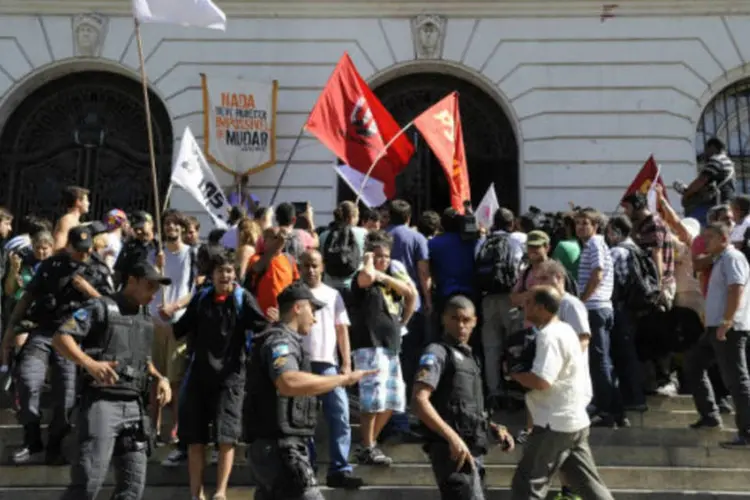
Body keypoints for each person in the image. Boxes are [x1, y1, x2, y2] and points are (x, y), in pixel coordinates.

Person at [51, 262, 173, 499]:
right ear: (131, 280)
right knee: (88, 481)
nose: (153, 293)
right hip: (102, 403)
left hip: (135, 408)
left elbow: (143, 360)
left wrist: (160, 378)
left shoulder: (145, 317)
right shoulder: (100, 307)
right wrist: (90, 364)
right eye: (149, 285)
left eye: (156, 288)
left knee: (132, 487)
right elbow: (61, 337)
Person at [244, 282, 376, 500]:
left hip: (277, 447)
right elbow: (288, 381)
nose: (314, 319)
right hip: (280, 449)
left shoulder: (284, 340)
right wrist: (341, 379)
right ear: (297, 308)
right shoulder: (280, 341)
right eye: (312, 311)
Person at [2, 225, 112, 464]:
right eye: (78, 250)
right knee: (27, 380)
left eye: (87, 249)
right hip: (44, 331)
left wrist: (88, 290)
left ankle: (55, 444)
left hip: (73, 339)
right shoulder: (53, 265)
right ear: (69, 246)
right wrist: (10, 331)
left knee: (66, 397)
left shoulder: (99, 269)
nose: (83, 255)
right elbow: (29, 296)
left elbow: (111, 307)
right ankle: (31, 439)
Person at [172, 249, 270, 499]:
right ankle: (197, 493)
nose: (225, 276)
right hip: (199, 377)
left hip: (231, 377)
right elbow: (180, 329)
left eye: (229, 270)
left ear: (235, 273)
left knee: (226, 437)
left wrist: (275, 322)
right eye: (220, 271)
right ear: (212, 275)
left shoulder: (242, 299)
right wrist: (165, 314)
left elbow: (262, 327)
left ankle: (221, 492)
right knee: (195, 439)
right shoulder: (201, 298)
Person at [510, 286, 613, 500]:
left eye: (528, 302)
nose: (523, 305)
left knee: (527, 483)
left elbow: (542, 380)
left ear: (540, 307)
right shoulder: (566, 330)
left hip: (553, 424)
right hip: (575, 421)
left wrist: (514, 376)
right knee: (588, 485)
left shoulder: (549, 336)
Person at [412, 295, 515, 500]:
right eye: (455, 318)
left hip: (474, 450)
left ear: (475, 322)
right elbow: (419, 400)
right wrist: (452, 438)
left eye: (466, 320)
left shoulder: (471, 359)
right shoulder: (437, 352)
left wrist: (494, 428)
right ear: (444, 319)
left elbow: (465, 408)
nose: (461, 325)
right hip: (451, 451)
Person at [299, 250, 362, 489]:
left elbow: (341, 329)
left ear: (322, 266)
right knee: (304, 420)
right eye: (306, 266)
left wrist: (346, 363)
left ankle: (339, 468)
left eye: (314, 265)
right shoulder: (294, 294)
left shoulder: (333, 294)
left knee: (340, 415)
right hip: (302, 365)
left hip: (328, 364)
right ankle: (308, 468)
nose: (311, 270)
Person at [684, 223, 750, 448]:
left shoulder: (732, 258)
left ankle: (747, 432)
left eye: (710, 238)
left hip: (729, 328)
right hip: (714, 328)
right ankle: (709, 415)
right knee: (693, 365)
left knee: (737, 380)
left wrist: (727, 320)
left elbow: (736, 289)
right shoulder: (719, 259)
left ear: (723, 238)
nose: (705, 242)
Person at [53, 186, 90, 252]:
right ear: (78, 202)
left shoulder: (74, 220)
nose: (88, 203)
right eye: (86, 200)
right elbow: (58, 246)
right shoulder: (67, 220)